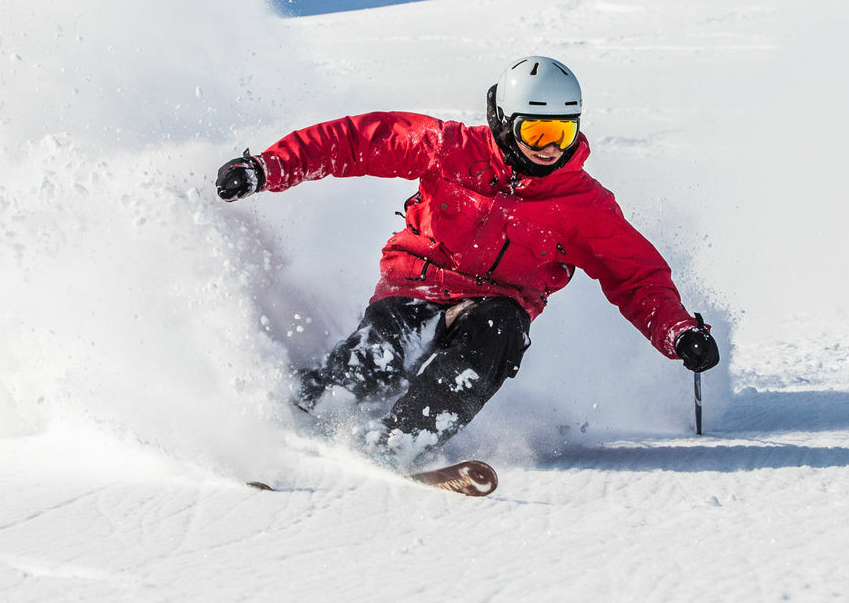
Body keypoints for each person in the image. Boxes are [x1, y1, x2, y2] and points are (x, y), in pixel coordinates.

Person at [215, 56, 719, 463]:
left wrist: (677, 331)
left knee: (498, 331)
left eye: (560, 134)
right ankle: (310, 410)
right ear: (503, 122)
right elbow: (356, 141)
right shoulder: (448, 149)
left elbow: (637, 276)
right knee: (381, 352)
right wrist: (266, 167)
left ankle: (401, 438)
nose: (548, 149)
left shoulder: (584, 205)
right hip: (416, 287)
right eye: (536, 133)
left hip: (497, 304)